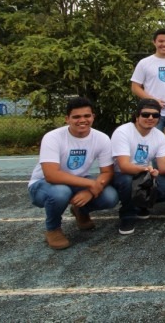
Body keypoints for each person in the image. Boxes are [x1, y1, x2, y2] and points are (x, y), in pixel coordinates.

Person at [28, 97, 118, 250]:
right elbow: (51, 175)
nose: (82, 120)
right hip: (43, 185)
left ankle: (80, 210)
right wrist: (90, 184)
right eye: (76, 117)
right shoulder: (52, 137)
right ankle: (53, 229)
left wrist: (90, 192)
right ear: (67, 119)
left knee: (110, 197)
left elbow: (107, 171)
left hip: (78, 181)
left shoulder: (101, 138)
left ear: (93, 117)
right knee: (61, 192)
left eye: (87, 116)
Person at [112, 99, 165, 235]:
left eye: (155, 115)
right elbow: (124, 166)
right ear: (137, 116)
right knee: (127, 180)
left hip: (144, 173)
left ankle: (140, 205)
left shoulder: (160, 136)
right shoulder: (123, 132)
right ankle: (127, 215)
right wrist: (147, 170)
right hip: (121, 175)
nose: (150, 118)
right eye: (145, 114)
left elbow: (163, 167)